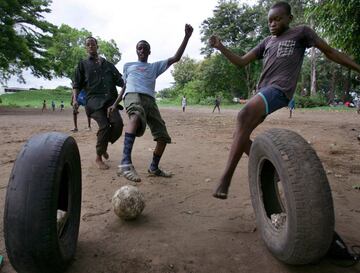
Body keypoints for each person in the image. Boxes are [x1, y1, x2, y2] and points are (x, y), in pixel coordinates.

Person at [209, 1, 360, 199]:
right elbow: (241, 62)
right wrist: (221, 46)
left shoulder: (301, 33)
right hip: (263, 91)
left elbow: (331, 52)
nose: (273, 23)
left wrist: (358, 67)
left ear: (290, 18)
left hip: (280, 90)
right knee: (241, 134)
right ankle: (273, 168)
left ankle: (225, 179)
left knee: (243, 114)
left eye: (278, 19)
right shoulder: (266, 42)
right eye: (270, 20)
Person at [110, 24, 193, 182]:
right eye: (139, 48)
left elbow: (176, 58)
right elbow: (125, 86)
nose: (141, 50)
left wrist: (186, 37)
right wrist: (115, 103)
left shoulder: (155, 67)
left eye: (144, 48)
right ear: (136, 51)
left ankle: (154, 168)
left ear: (149, 51)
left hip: (150, 100)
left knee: (163, 136)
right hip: (133, 94)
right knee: (135, 115)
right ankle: (125, 163)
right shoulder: (128, 66)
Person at [72, 36, 124, 170]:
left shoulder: (108, 65)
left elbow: (121, 81)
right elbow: (76, 84)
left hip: (110, 102)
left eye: (92, 44)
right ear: (86, 48)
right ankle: (98, 156)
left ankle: (103, 145)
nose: (90, 46)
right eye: (88, 45)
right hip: (93, 102)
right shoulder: (82, 65)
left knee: (118, 124)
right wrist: (75, 100)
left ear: (97, 46)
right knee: (105, 126)